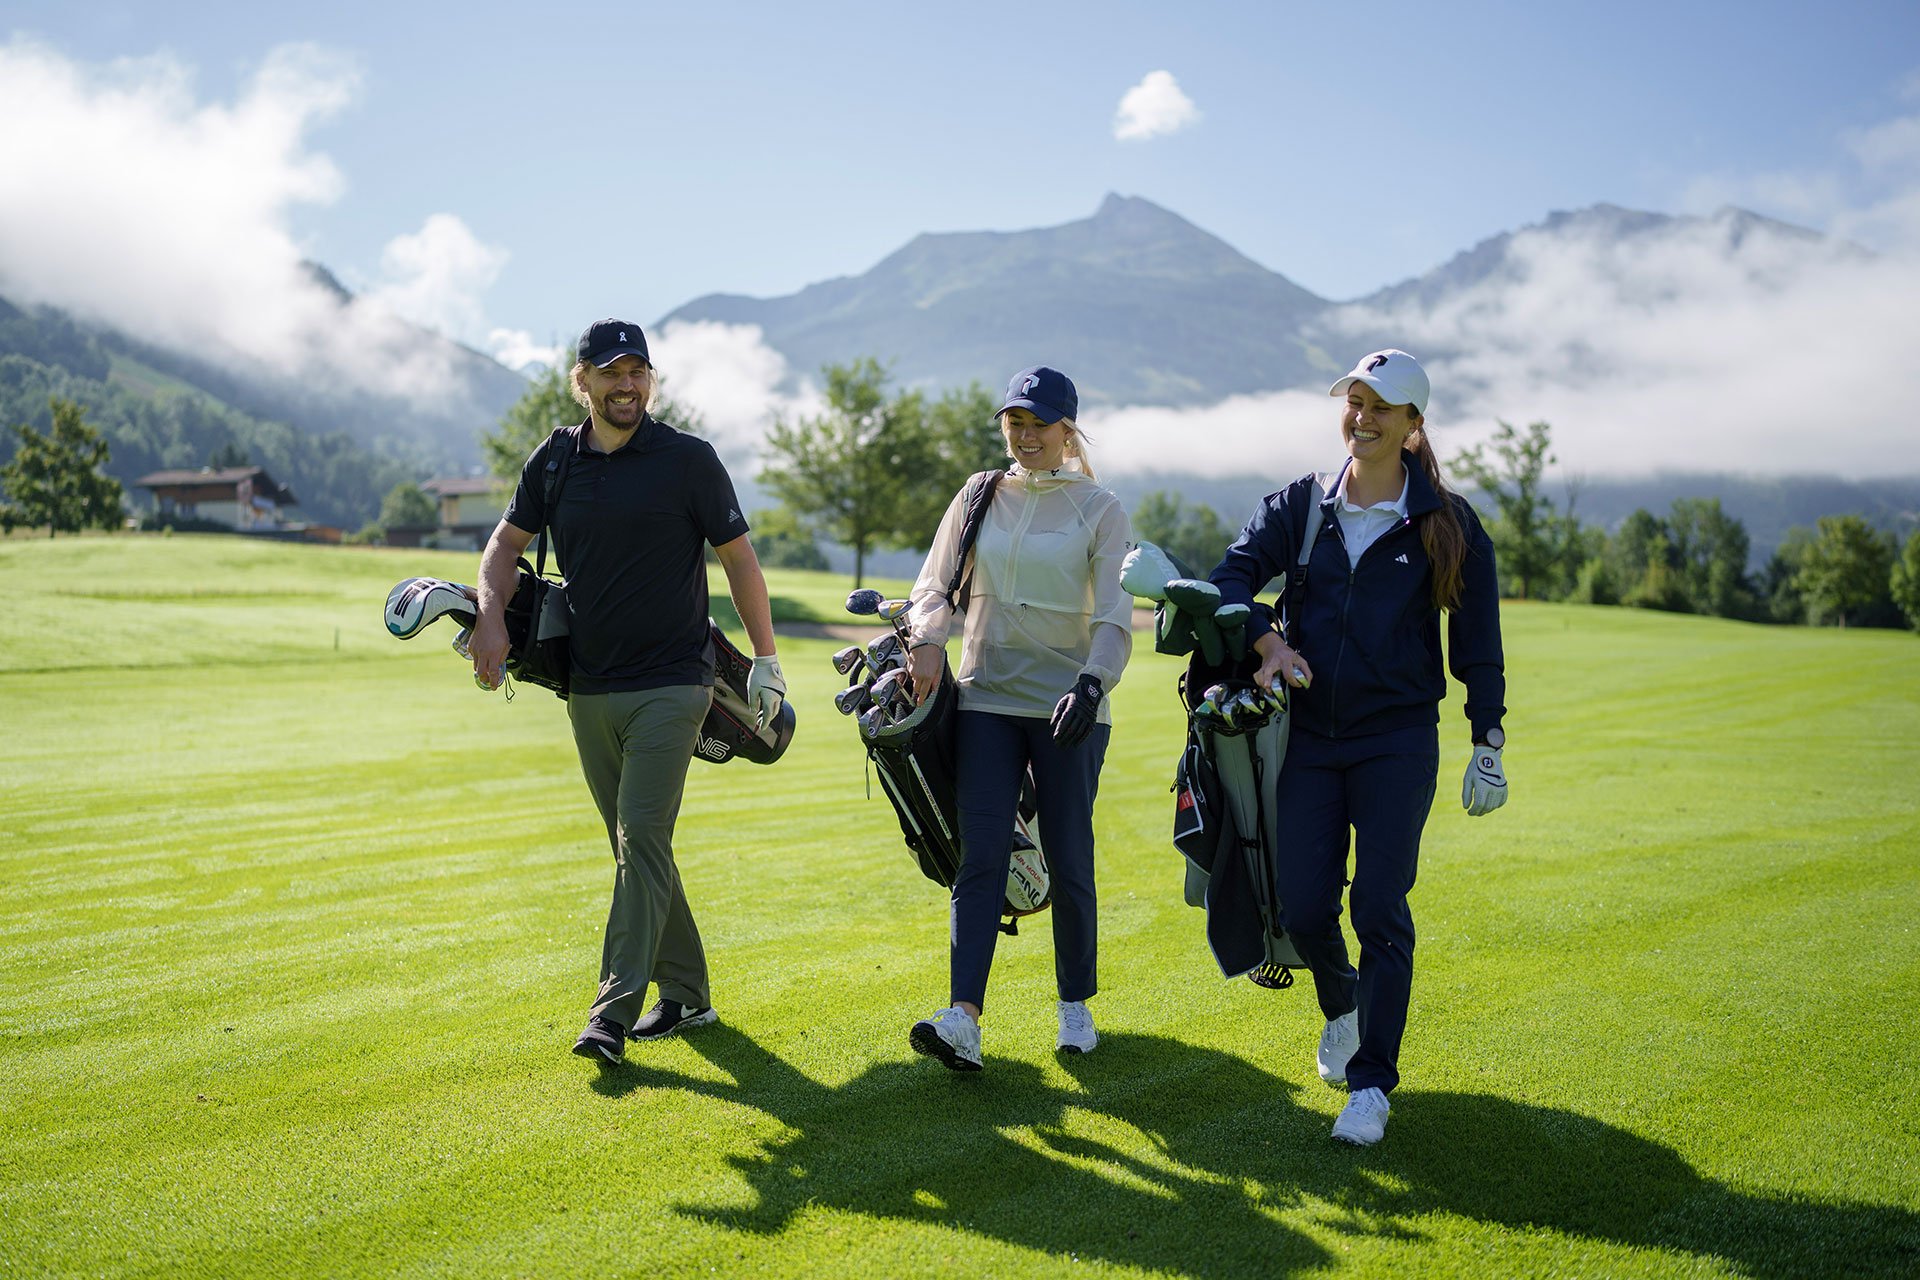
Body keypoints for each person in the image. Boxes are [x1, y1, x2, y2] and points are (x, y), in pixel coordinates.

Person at [1209, 349, 1508, 1145]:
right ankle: (1341, 1002)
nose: (1363, 418)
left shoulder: (1448, 521)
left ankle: (1372, 1084)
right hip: (1308, 736)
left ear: (1413, 425)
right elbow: (1230, 577)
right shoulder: (1301, 507)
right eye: (1354, 402)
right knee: (1304, 905)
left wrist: (1489, 732)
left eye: (1382, 407)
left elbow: (1477, 636)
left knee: (1378, 905)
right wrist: (1268, 641)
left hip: (1397, 742)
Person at [468, 318, 787, 1065]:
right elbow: (504, 549)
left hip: (676, 682)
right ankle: (688, 994)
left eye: (639, 371)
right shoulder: (554, 462)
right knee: (635, 844)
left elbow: (739, 561)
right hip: (587, 686)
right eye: (611, 372)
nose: (627, 385)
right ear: (582, 381)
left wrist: (766, 659)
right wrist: (489, 620)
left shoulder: (688, 461)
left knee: (640, 837)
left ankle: (610, 1016)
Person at [900, 366, 1134, 1071]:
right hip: (987, 700)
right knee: (981, 858)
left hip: (1068, 708)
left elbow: (1116, 615)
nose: (1025, 435)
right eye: (1015, 421)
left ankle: (1074, 1007)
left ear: (1069, 431)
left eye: (1039, 423)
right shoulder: (979, 495)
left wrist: (1092, 685)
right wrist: (927, 640)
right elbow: (932, 585)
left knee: (1067, 856)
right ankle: (963, 1018)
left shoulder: (1102, 508)